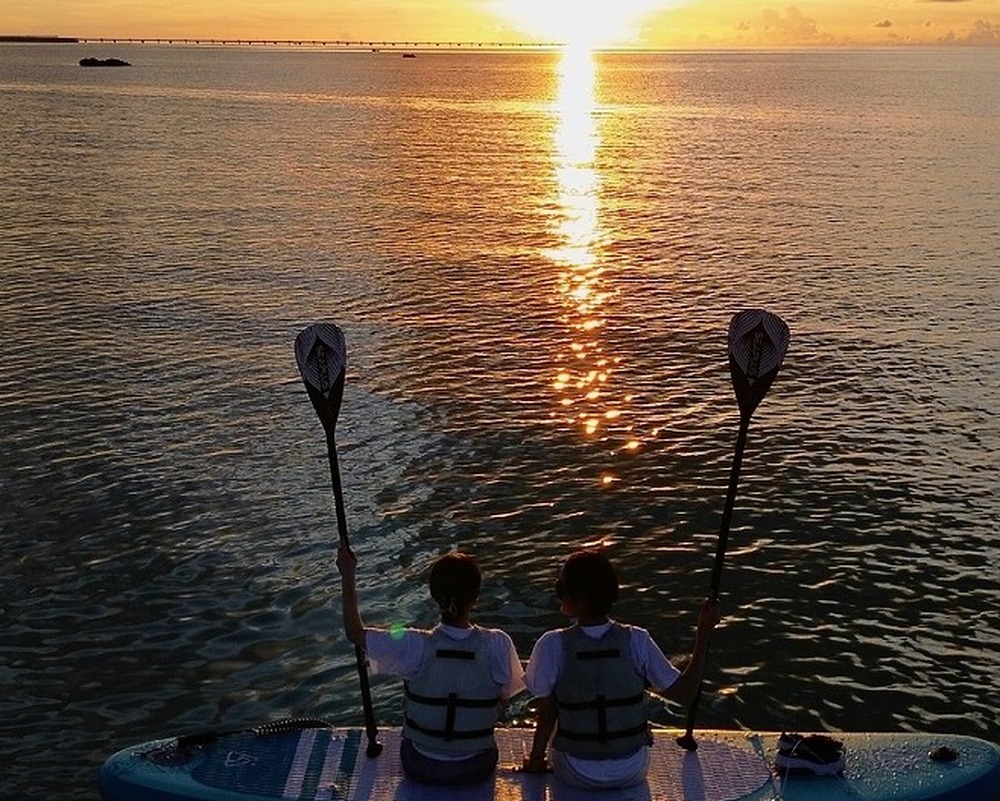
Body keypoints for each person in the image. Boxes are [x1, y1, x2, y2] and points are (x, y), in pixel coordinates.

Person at [521, 548, 720, 790]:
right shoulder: (637, 639)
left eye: (561, 589)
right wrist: (704, 633)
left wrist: (535, 761)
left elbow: (546, 716)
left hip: (576, 771)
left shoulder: (551, 644)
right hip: (632, 769)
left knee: (557, 723)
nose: (559, 594)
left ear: (580, 600)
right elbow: (686, 693)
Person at [336, 543, 524, 785]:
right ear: (476, 597)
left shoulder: (414, 644)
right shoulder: (498, 643)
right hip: (476, 766)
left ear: (434, 596)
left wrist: (348, 574)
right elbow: (505, 699)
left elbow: (355, 633)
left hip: (420, 764)